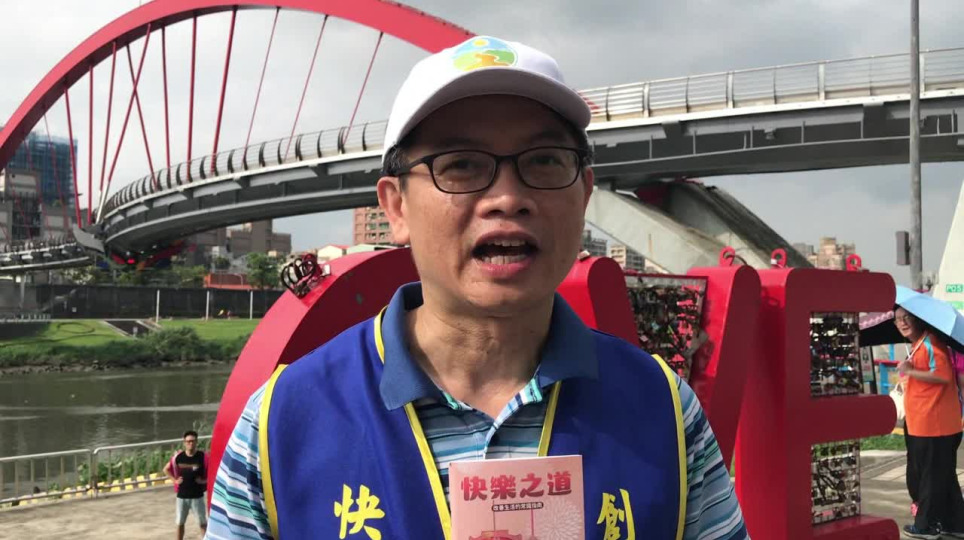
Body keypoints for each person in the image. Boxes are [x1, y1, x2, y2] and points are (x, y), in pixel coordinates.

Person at [207, 35, 747, 540]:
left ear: (584, 194)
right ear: (396, 207)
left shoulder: (664, 409)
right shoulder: (280, 423)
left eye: (543, 161)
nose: (508, 198)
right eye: (462, 165)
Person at [895, 307, 964, 539]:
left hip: (934, 426)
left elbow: (942, 375)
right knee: (943, 476)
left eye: (906, 318)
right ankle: (956, 523)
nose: (902, 323)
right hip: (924, 424)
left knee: (929, 479)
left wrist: (911, 371)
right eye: (897, 320)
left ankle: (925, 525)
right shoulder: (919, 346)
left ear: (917, 319)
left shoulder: (931, 343)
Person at [164, 430, 209, 539]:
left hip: (197, 496)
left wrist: (204, 481)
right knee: (180, 523)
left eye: (193, 441)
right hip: (182, 496)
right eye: (188, 441)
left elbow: (213, 472)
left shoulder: (203, 457)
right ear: (184, 443)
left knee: (202, 523)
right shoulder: (178, 457)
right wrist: (174, 480)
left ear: (196, 442)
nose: (190, 443)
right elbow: (166, 469)